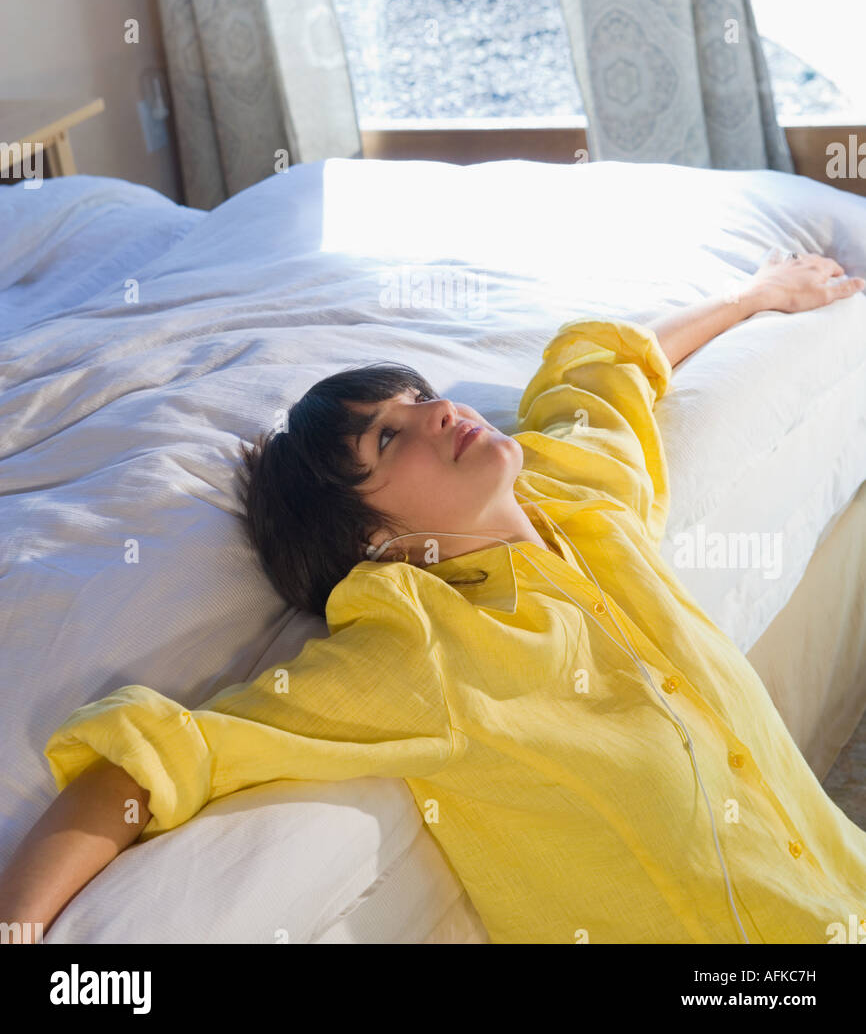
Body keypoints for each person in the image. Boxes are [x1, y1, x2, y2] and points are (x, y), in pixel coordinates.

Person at [1, 250, 864, 944]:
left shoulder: (582, 499)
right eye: (390, 436)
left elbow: (601, 371)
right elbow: (159, 759)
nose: (437, 411)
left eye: (418, 396)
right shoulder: (418, 652)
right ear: (371, 540)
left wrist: (755, 296)